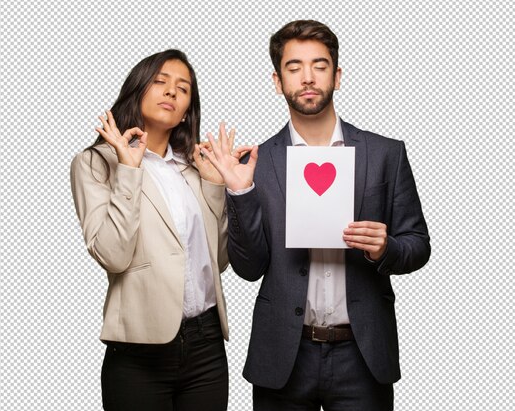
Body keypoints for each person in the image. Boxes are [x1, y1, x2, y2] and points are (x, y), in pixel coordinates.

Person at [201, 21, 431, 410]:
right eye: (294, 67)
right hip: (284, 356)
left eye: (320, 65)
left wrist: (384, 248)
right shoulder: (257, 161)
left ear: (337, 75)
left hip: (362, 354)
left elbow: (418, 245)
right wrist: (239, 190)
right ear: (277, 81)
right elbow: (248, 267)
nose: (307, 77)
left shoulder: (385, 154)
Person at [70, 50, 233, 411]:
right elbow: (113, 255)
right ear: (138, 90)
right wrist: (129, 170)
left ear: (188, 108)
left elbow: (218, 262)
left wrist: (216, 187)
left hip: (207, 345)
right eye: (160, 82)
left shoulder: (194, 168)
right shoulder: (95, 163)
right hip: (139, 350)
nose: (171, 92)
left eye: (183, 88)